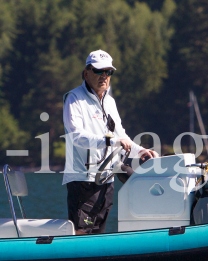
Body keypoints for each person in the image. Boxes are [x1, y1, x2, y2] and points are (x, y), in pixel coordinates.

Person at [63, 50, 157, 234]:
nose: (104, 76)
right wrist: (110, 141)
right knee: (82, 235)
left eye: (108, 72)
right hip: (83, 181)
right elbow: (76, 136)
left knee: (99, 234)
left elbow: (121, 135)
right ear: (86, 72)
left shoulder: (110, 102)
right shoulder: (73, 98)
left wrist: (140, 151)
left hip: (107, 179)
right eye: (99, 71)